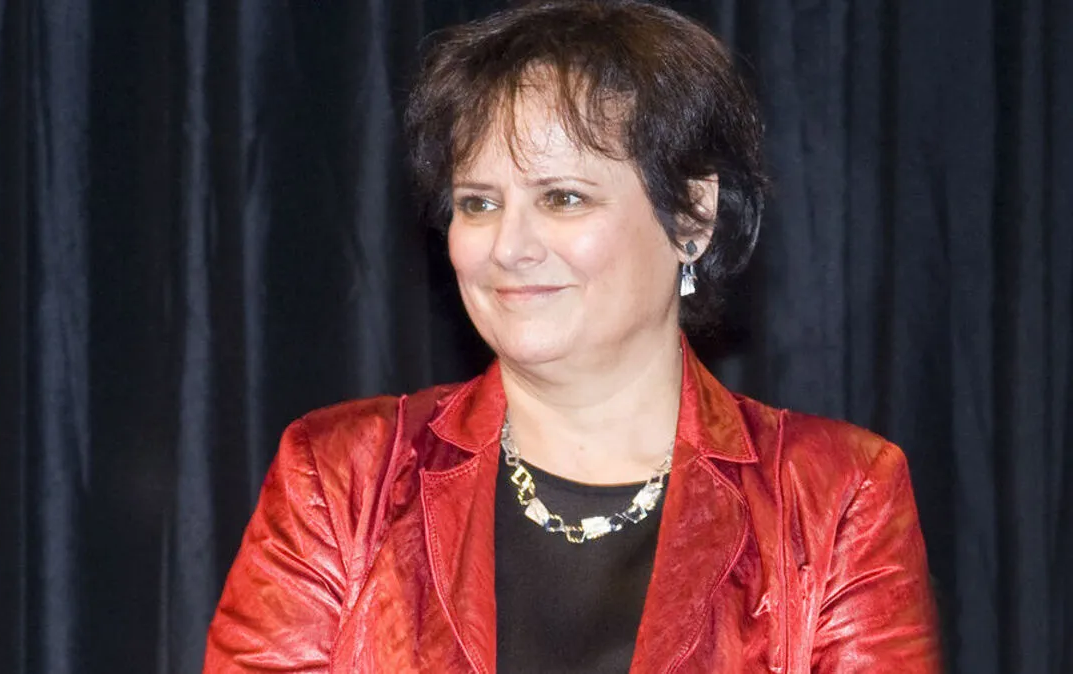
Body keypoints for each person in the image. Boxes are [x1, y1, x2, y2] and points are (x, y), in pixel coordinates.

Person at [203, 1, 942, 672]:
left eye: (562, 198)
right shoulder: (344, 479)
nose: (508, 246)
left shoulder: (835, 497)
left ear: (692, 215)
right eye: (479, 203)